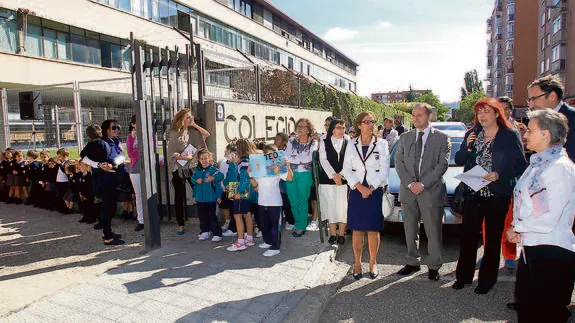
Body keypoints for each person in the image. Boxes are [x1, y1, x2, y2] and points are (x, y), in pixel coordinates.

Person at [452, 98, 527, 294]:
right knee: (467, 237)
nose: (482, 116)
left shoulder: (509, 135)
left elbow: (520, 165)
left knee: (492, 239)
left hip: (497, 195)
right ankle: (463, 277)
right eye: (479, 112)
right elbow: (459, 159)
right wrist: (466, 147)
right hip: (473, 193)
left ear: (496, 113)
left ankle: (486, 281)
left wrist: (499, 174)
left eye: (486, 111)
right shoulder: (472, 133)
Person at [507, 109, 575, 322]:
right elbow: (531, 206)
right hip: (534, 248)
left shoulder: (558, 168)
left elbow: (546, 217)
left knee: (545, 313)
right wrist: (521, 229)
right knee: (527, 309)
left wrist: (518, 228)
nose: (525, 135)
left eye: (530, 130)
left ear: (546, 135)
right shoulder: (539, 163)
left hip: (552, 252)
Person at [394, 103, 451, 281]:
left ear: (429, 116)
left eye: (419, 115)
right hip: (408, 191)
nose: (415, 118)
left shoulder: (442, 139)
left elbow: (442, 165)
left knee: (433, 229)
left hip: (431, 191)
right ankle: (412, 261)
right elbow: (399, 163)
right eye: (413, 115)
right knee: (410, 228)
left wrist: (423, 184)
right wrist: (410, 183)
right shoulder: (405, 138)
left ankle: (434, 266)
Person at [342, 111, 390, 280]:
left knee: (372, 229)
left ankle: (373, 263)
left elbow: (384, 170)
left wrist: (370, 187)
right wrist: (358, 187)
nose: (370, 124)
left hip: (374, 190)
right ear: (359, 124)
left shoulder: (382, 144)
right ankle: (357, 263)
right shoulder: (351, 143)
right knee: (357, 229)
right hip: (356, 191)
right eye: (366, 121)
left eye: (372, 121)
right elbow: (346, 168)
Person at [167, 108, 210, 235]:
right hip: (178, 168)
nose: (190, 119)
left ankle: (205, 223)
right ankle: (180, 224)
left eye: (191, 117)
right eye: (188, 117)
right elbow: (171, 153)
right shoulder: (175, 133)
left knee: (198, 192)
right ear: (181, 119)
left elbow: (207, 134)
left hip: (191, 167)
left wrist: (194, 124)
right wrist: (182, 157)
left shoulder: (193, 132)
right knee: (179, 196)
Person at [253, 144, 294, 256]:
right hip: (262, 201)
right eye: (269, 154)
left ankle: (275, 247)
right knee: (264, 225)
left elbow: (290, 178)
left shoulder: (278, 167)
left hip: (275, 202)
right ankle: (268, 241)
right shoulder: (260, 166)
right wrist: (250, 174)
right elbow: (255, 185)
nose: (271, 156)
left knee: (275, 226)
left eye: (274, 154)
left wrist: (288, 166)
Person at [527, 75, 575, 162]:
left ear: (552, 96)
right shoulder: (539, 119)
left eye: (534, 99)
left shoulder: (572, 118)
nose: (530, 105)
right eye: (529, 100)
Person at [285, 118, 318, 237]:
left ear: (309, 129)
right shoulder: (291, 140)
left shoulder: (313, 142)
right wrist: (296, 160)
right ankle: (297, 222)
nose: (300, 128)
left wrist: (293, 160)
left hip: (305, 174)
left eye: (303, 126)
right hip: (290, 174)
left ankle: (301, 226)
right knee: (293, 200)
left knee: (302, 200)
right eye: (299, 126)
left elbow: (309, 158)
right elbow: (286, 155)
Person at [318, 119, 349, 245]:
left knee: (342, 207)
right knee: (330, 206)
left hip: (343, 179)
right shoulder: (324, 140)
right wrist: (333, 175)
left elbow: (350, 160)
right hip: (327, 179)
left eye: (343, 127)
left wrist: (340, 175)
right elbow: (323, 159)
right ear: (332, 128)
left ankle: (341, 234)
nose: (341, 130)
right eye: (338, 127)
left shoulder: (348, 141)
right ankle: (333, 233)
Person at [227, 139, 256, 251]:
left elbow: (244, 178)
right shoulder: (247, 160)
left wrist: (238, 192)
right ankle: (249, 238)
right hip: (246, 192)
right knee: (247, 214)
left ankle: (240, 241)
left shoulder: (243, 161)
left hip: (241, 192)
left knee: (237, 215)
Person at [191, 149, 224, 242]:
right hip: (200, 199)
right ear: (198, 160)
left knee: (212, 216)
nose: (204, 160)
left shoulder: (213, 169)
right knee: (202, 216)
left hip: (211, 199)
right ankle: (205, 231)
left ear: (210, 159)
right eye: (201, 159)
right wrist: (194, 196)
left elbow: (221, 176)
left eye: (206, 158)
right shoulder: (197, 170)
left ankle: (217, 233)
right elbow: (193, 182)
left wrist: (213, 178)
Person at [127, 115, 144, 232]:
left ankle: (152, 217)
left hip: (148, 169)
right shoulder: (130, 137)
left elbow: (152, 150)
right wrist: (141, 148)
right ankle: (141, 220)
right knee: (139, 196)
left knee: (151, 194)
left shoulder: (150, 135)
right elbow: (130, 154)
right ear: (133, 124)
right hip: (135, 169)